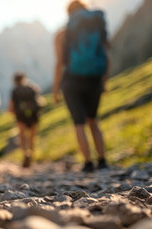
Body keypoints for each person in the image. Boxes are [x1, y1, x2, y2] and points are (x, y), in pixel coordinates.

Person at [53, 0, 109, 172]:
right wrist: (103, 81)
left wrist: (56, 89)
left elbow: (60, 63)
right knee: (93, 120)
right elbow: (106, 56)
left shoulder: (63, 33)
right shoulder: (97, 28)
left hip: (72, 81)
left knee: (79, 123)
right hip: (94, 79)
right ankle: (102, 161)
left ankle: (88, 163)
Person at [8, 72, 43, 168]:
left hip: (20, 116)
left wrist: (15, 114)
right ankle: (31, 154)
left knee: (22, 137)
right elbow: (40, 102)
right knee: (32, 137)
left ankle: (26, 153)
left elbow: (11, 108)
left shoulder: (15, 91)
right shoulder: (32, 88)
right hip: (34, 115)